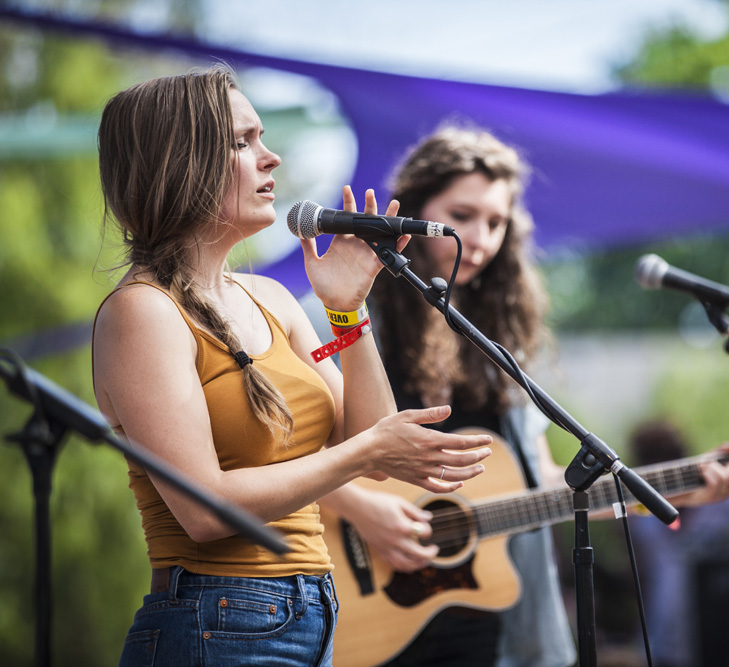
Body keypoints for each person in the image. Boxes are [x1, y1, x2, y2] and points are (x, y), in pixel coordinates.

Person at [90, 65, 493, 667]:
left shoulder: (272, 300)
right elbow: (203, 509)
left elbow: (365, 439)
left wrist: (346, 311)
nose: (271, 157)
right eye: (242, 142)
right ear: (181, 163)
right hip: (213, 619)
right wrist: (365, 454)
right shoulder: (141, 313)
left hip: (314, 615)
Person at [319, 125, 729, 667]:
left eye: (497, 222)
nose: (480, 238)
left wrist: (676, 490)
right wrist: (365, 511)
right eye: (462, 216)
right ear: (413, 212)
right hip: (369, 610)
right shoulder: (351, 319)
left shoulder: (498, 345)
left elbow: (547, 486)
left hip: (483, 621)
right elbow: (286, 454)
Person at [627, 420, 729, 667]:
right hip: (659, 643)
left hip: (720, 637)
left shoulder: (728, 504)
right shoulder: (641, 518)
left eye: (667, 457)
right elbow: (643, 576)